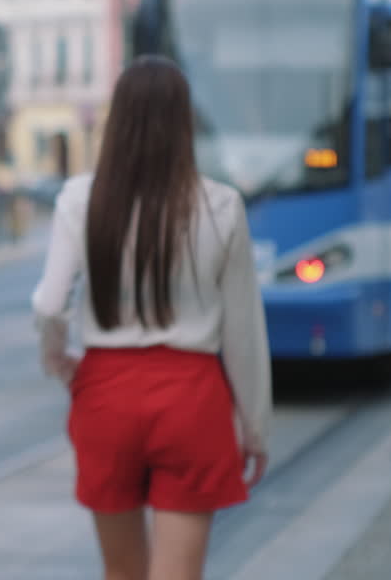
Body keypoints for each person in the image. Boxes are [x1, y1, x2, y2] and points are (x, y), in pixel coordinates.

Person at [31, 56, 271, 580]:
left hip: (106, 393)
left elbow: (50, 304)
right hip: (191, 396)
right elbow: (244, 334)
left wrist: (58, 361)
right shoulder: (222, 206)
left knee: (122, 573)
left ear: (117, 122)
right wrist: (254, 429)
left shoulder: (80, 198)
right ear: (185, 124)